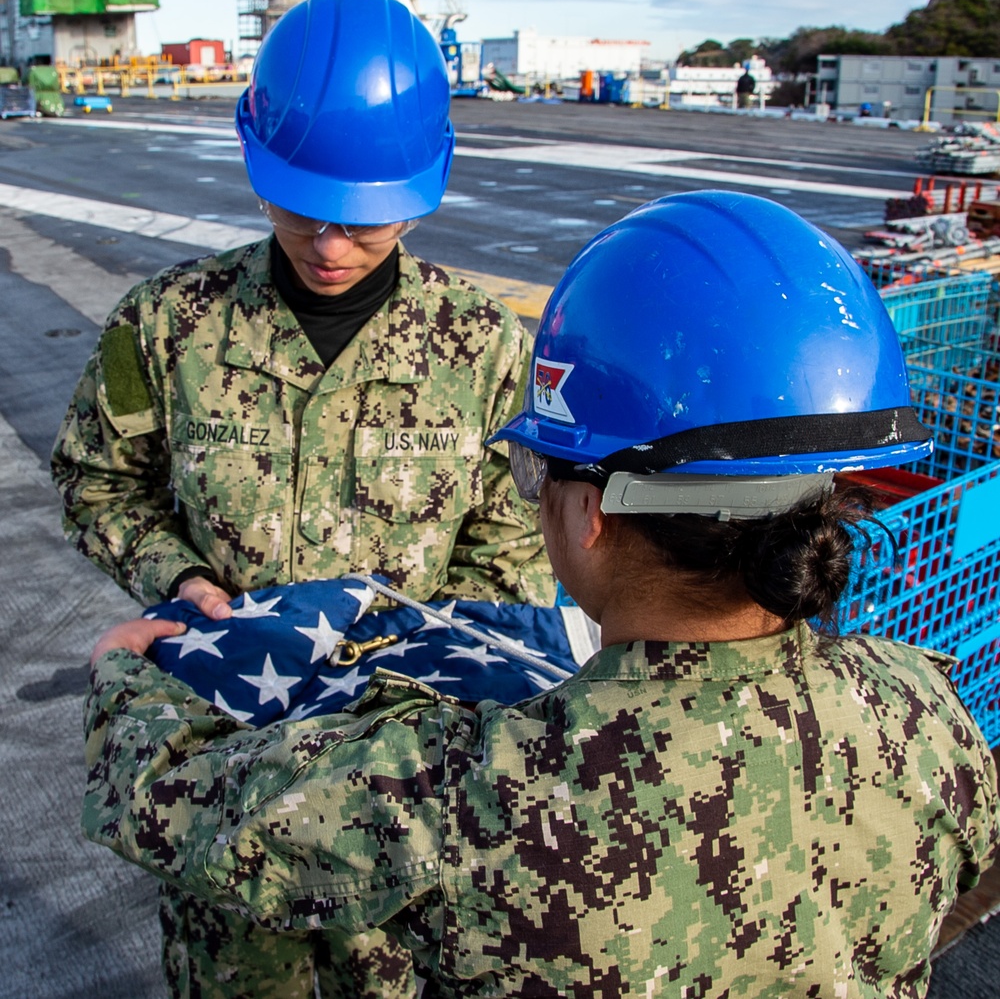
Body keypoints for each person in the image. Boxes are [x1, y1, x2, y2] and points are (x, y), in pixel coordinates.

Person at [82, 191, 1000, 997]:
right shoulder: (926, 717)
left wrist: (130, 679)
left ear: (590, 513)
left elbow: (175, 801)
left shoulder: (473, 790)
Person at [54, 0, 552, 999]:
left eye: (364, 222)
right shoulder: (165, 326)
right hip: (227, 780)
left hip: (403, 792)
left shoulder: (490, 350)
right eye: (301, 208)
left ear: (424, 185)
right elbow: (100, 482)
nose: (329, 246)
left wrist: (411, 657)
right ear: (256, 163)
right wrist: (177, 573)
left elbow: (515, 544)